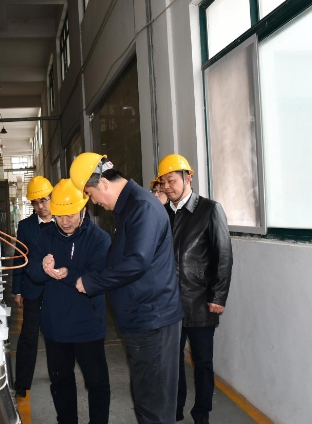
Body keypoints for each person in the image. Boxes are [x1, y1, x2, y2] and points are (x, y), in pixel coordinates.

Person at [70, 152, 184, 424]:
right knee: (146, 398)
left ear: (104, 184)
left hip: (152, 321)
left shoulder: (142, 208)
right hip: (142, 320)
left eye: (91, 194)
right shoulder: (130, 208)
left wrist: (92, 282)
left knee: (154, 404)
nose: (94, 202)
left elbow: (137, 261)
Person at [27, 179, 111, 424]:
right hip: (55, 328)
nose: (65, 222)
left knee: (96, 383)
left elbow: (99, 277)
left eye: (71, 215)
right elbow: (32, 273)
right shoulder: (45, 236)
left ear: (83, 209)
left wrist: (67, 273)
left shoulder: (99, 239)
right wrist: (43, 268)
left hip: (88, 326)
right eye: (60, 215)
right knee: (61, 382)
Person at [157, 154, 233, 424]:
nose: (167, 187)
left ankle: (201, 413)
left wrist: (218, 296)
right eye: (163, 182)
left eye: (172, 180)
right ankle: (175, 410)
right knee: (172, 361)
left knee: (202, 362)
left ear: (188, 178)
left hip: (200, 301)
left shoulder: (210, 210)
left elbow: (223, 255)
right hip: (169, 302)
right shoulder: (162, 213)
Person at [12, 175, 55, 398]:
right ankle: (22, 383)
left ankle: (58, 375)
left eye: (44, 200)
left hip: (58, 289)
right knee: (29, 336)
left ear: (52, 198)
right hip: (32, 289)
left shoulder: (64, 220)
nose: (40, 207)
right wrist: (17, 290)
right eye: (35, 203)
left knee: (57, 335)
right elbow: (19, 258)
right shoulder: (25, 226)